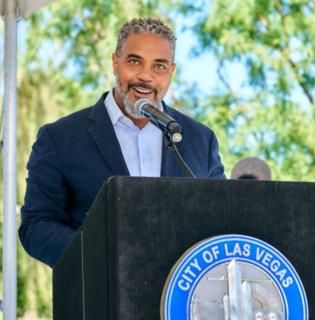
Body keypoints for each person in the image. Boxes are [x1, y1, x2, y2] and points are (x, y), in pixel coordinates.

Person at [19, 17, 225, 267]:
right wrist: (100, 256)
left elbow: (221, 221)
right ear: (115, 62)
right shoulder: (60, 138)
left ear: (171, 71)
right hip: (97, 297)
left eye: (159, 66)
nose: (145, 76)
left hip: (181, 300)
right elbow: (36, 226)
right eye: (135, 61)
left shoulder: (200, 140)